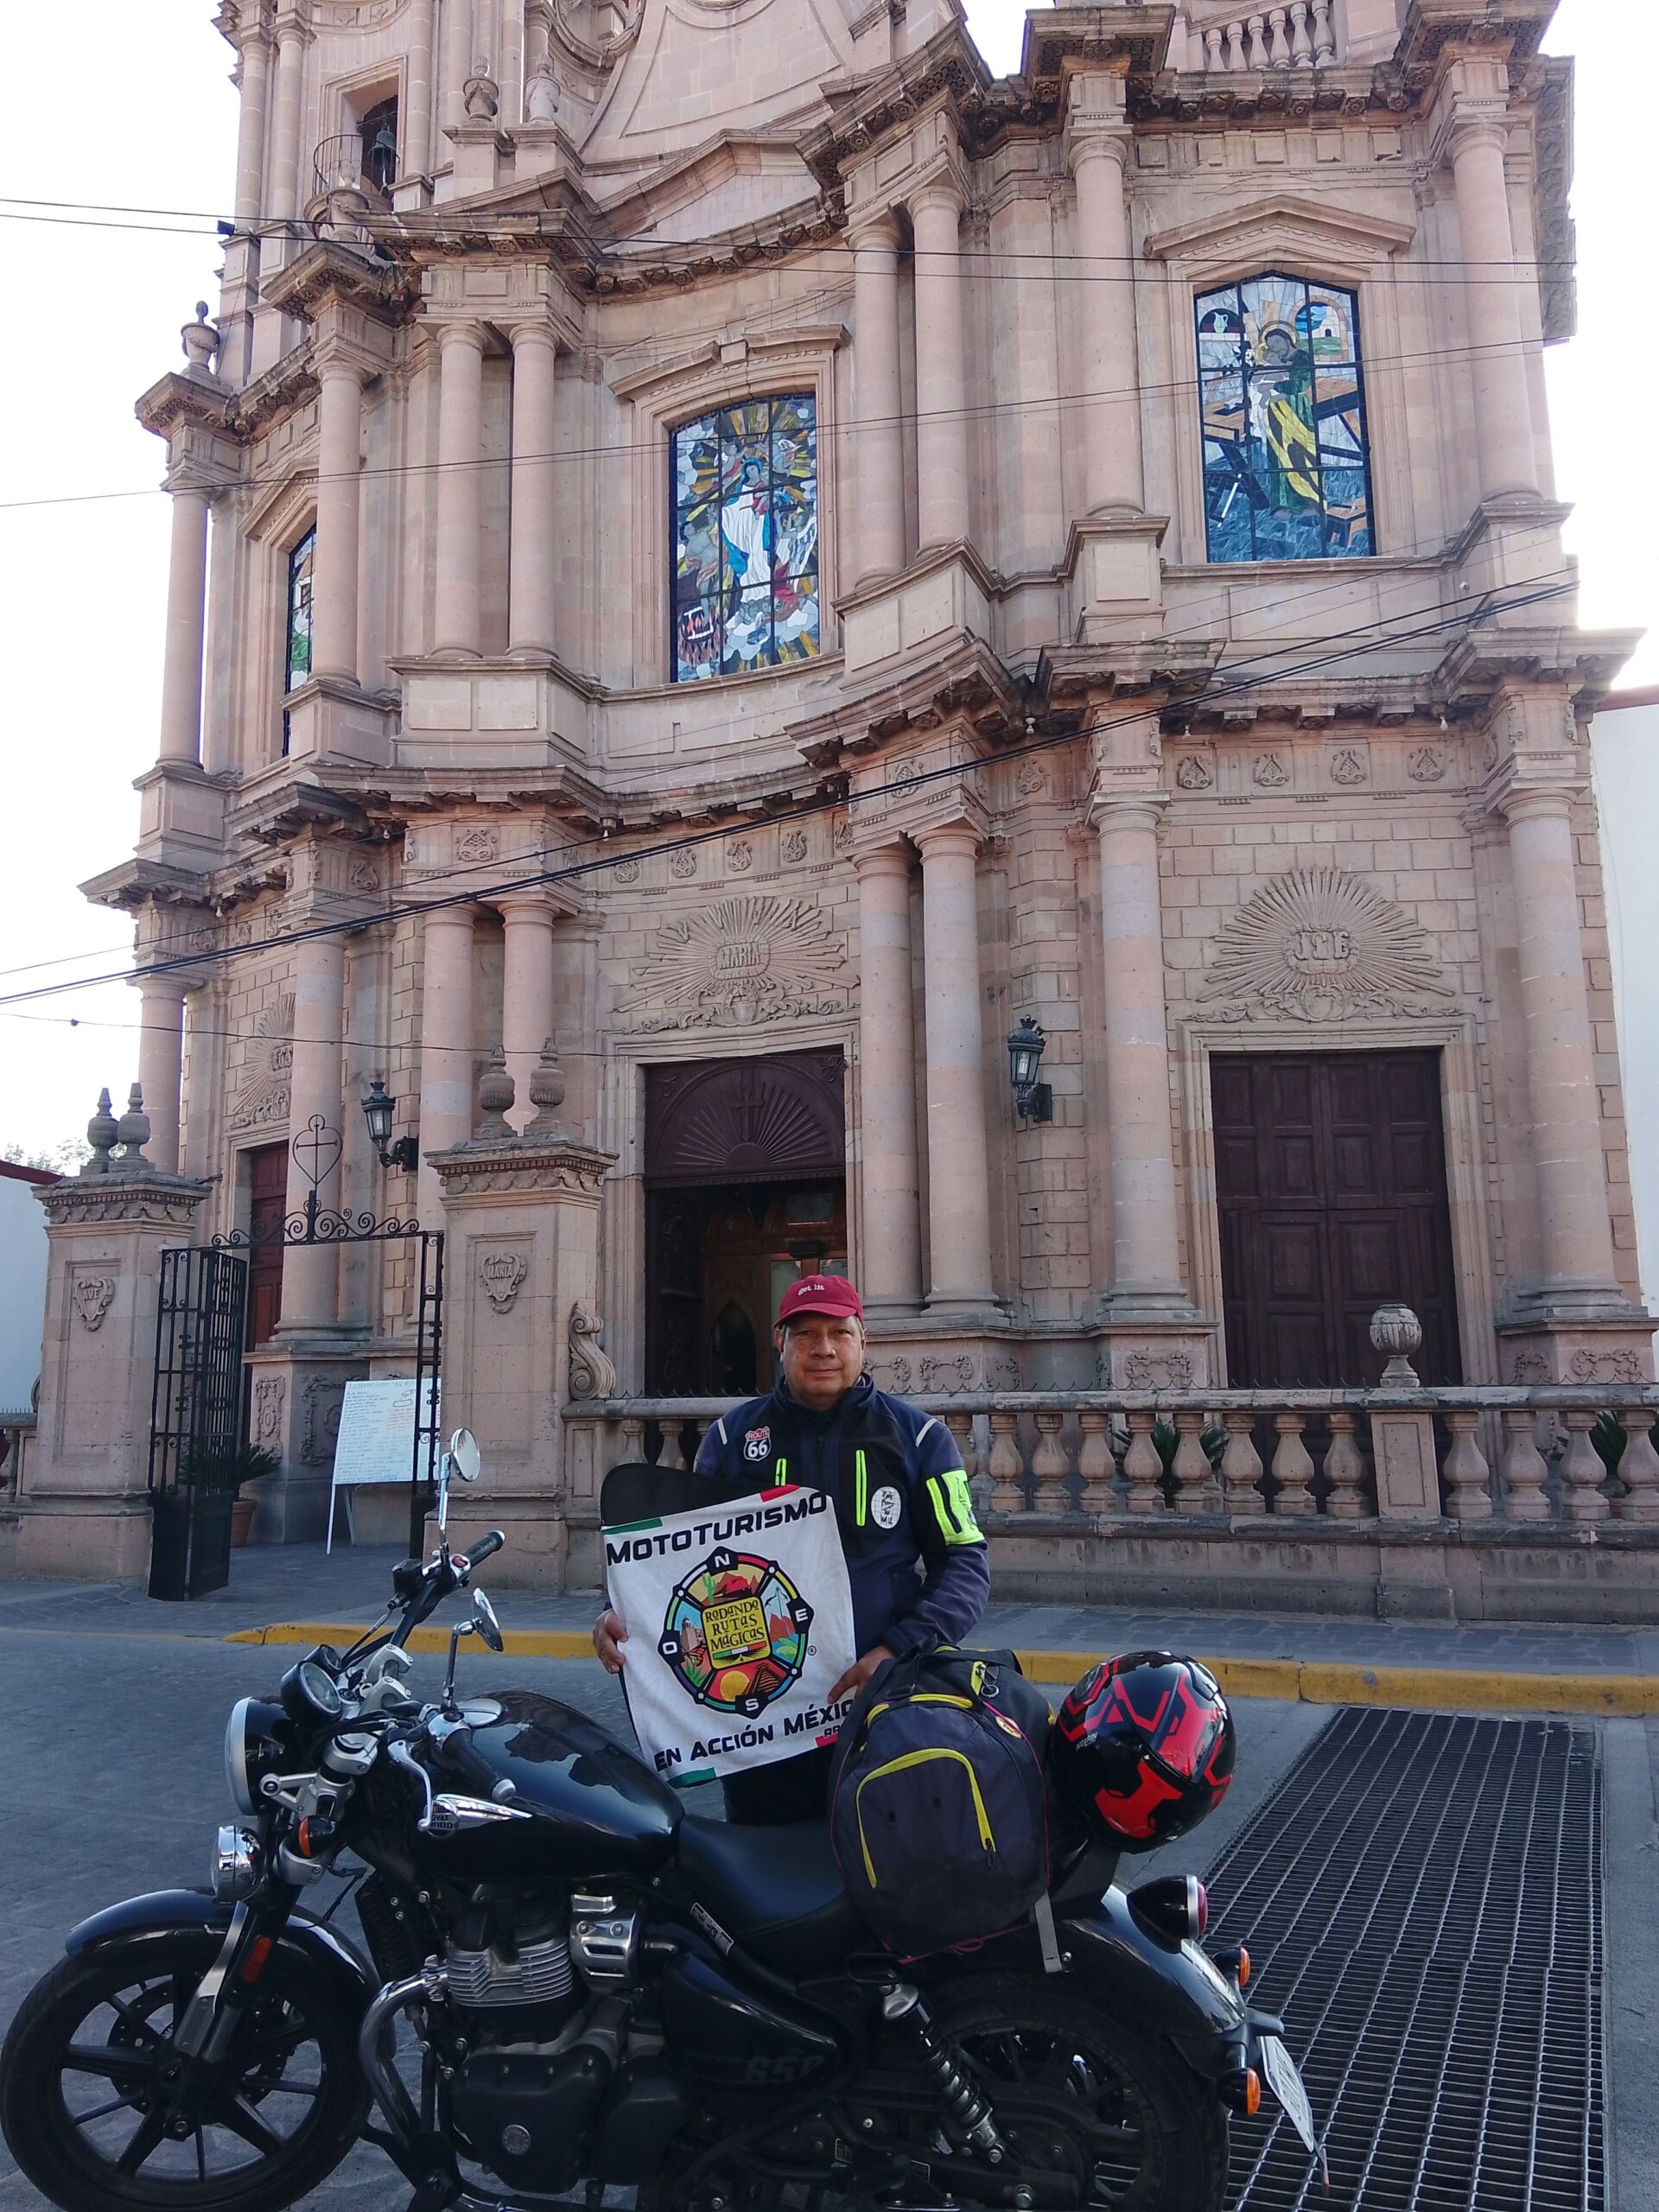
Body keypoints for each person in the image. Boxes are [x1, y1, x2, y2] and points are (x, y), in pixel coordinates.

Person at [594, 1274, 990, 1824]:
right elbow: (682, 1566)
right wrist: (623, 1613)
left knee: (885, 1870)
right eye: (805, 1334)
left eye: (838, 1332)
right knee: (768, 1881)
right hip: (762, 1724)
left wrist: (897, 1651)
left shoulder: (922, 1439)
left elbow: (965, 1564)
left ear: (863, 1340)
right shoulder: (732, 1439)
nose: (823, 1348)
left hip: (880, 1708)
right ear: (780, 1344)